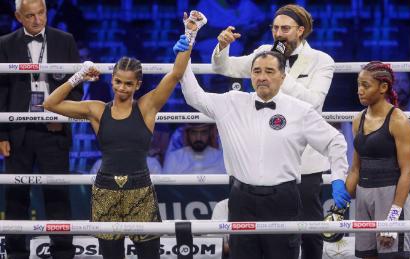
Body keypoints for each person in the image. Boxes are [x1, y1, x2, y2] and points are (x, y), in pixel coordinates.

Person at [43, 10, 207, 259]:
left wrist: (190, 34)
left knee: (149, 255)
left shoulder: (147, 107)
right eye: (118, 82)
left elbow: (175, 74)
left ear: (137, 85)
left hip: (140, 189)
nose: (122, 88)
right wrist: (79, 76)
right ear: (112, 81)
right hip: (105, 190)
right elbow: (50, 104)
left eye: (128, 84)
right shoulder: (96, 110)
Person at [179, 49, 350, 259]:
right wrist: (184, 57)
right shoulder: (231, 102)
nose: (262, 77)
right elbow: (193, 96)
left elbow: (335, 141)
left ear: (283, 76)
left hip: (283, 199)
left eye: (269, 71)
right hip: (242, 199)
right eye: (257, 71)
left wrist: (339, 178)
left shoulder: (300, 110)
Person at [210, 4, 340, 258]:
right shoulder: (263, 52)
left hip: (306, 163)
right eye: (275, 28)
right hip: (263, 164)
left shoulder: (322, 61)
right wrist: (222, 47)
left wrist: (279, 72)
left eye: (285, 29)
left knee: (311, 233)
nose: (279, 34)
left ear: (300, 31)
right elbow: (223, 68)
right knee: (259, 237)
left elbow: (313, 102)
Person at [0, 0, 82, 257]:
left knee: (58, 194)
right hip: (17, 130)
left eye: (41, 13)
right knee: (16, 196)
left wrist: (62, 113)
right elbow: (1, 92)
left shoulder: (64, 40)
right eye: (30, 15)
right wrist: (1, 133)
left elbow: (77, 85)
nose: (37, 20)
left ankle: (63, 251)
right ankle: (15, 253)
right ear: (18, 17)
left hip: (53, 129)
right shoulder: (4, 44)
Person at [345, 61, 410, 258]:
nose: (360, 90)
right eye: (358, 84)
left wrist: (392, 218)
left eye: (366, 85)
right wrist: (338, 206)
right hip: (363, 196)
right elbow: (355, 168)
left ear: (383, 87)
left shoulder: (398, 120)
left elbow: (407, 172)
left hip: (390, 195)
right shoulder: (358, 119)